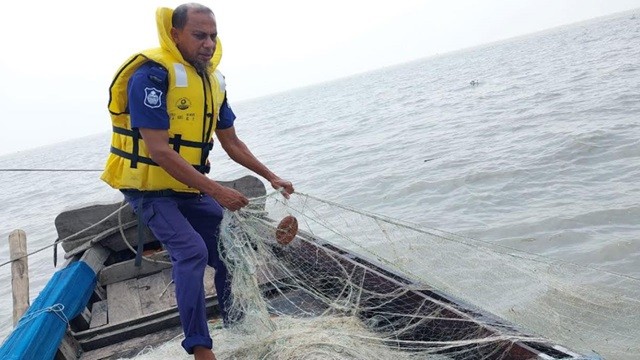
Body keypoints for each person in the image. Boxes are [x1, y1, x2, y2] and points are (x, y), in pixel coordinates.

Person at [100, 3, 294, 360]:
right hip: (149, 190)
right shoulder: (151, 76)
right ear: (175, 35)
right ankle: (200, 348)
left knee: (229, 250)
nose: (208, 43)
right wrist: (218, 190)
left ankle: (237, 325)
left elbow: (231, 141)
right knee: (191, 251)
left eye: (213, 36)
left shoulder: (213, 80)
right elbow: (159, 150)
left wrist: (271, 176)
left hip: (187, 186)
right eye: (199, 35)